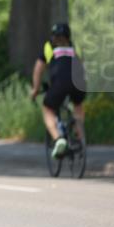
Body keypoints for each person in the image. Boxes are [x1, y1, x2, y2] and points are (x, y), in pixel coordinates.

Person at [30, 22, 86, 158]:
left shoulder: (49, 48)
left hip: (60, 84)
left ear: (53, 37)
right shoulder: (74, 48)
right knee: (77, 105)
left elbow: (38, 68)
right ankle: (79, 135)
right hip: (79, 83)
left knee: (48, 108)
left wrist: (35, 90)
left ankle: (58, 139)